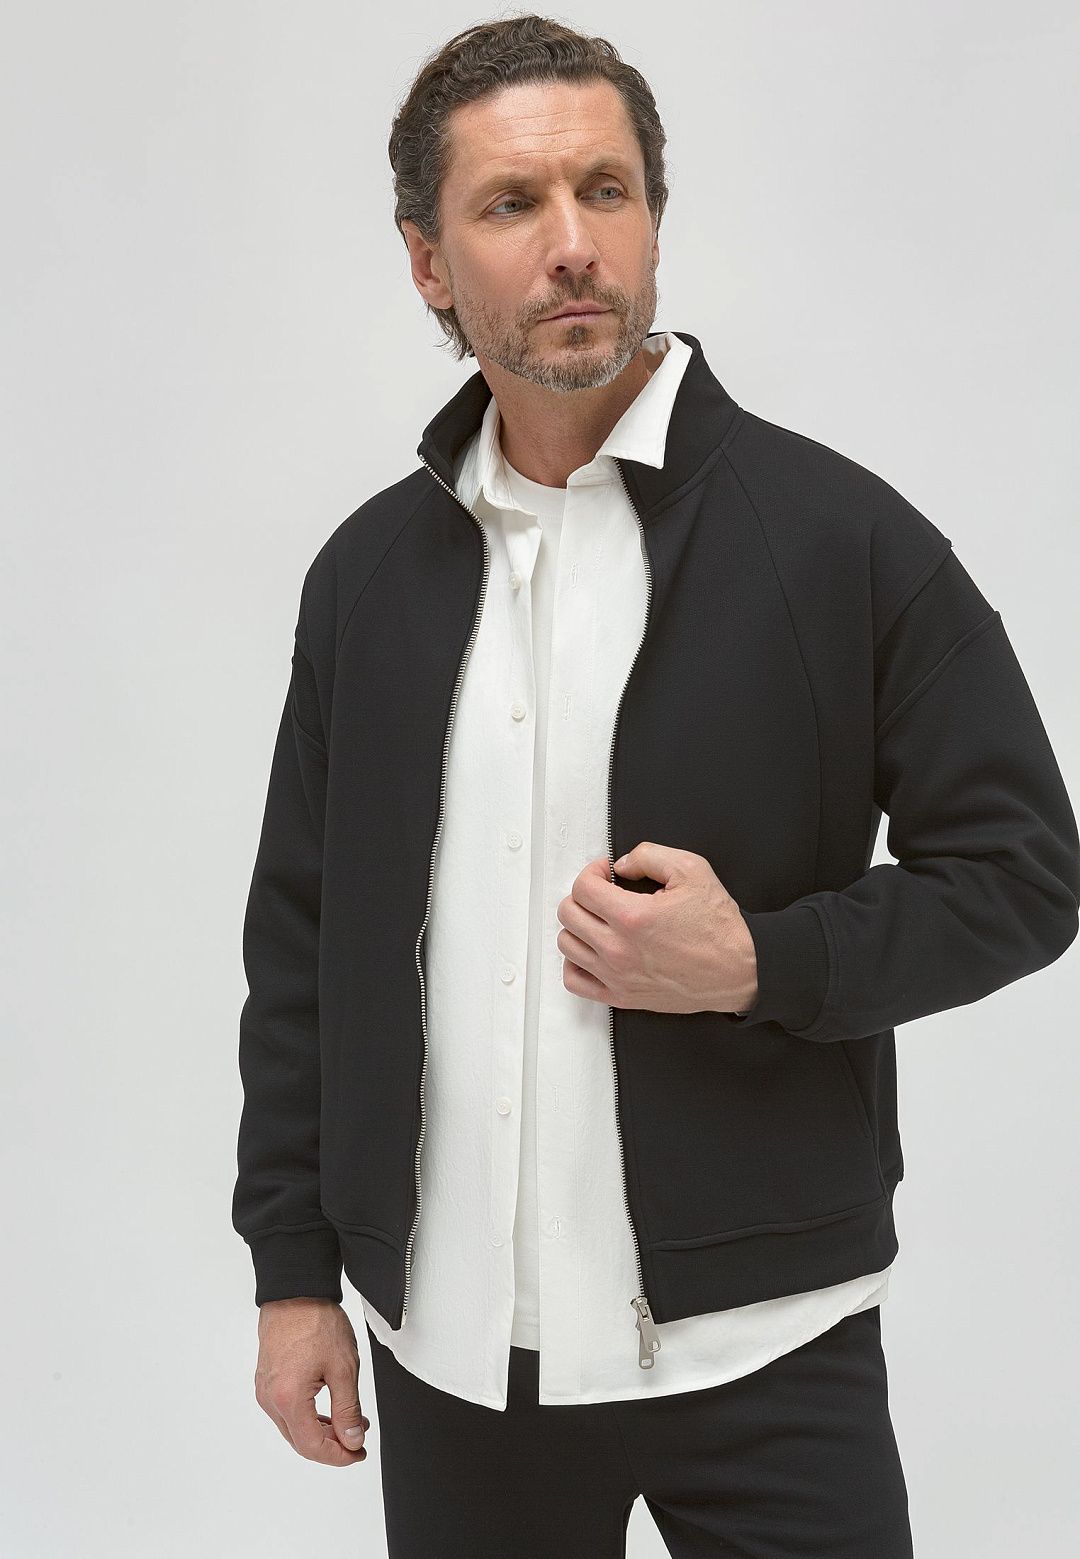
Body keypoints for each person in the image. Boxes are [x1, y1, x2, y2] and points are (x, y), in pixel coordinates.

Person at [232, 15, 1080, 1558]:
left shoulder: (840, 541)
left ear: (655, 224)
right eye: (512, 204)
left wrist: (762, 960)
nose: (573, 244)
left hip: (768, 1347)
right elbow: (303, 941)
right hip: (456, 1358)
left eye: (605, 191)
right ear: (428, 262)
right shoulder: (365, 580)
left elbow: (1025, 874)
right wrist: (295, 1271)